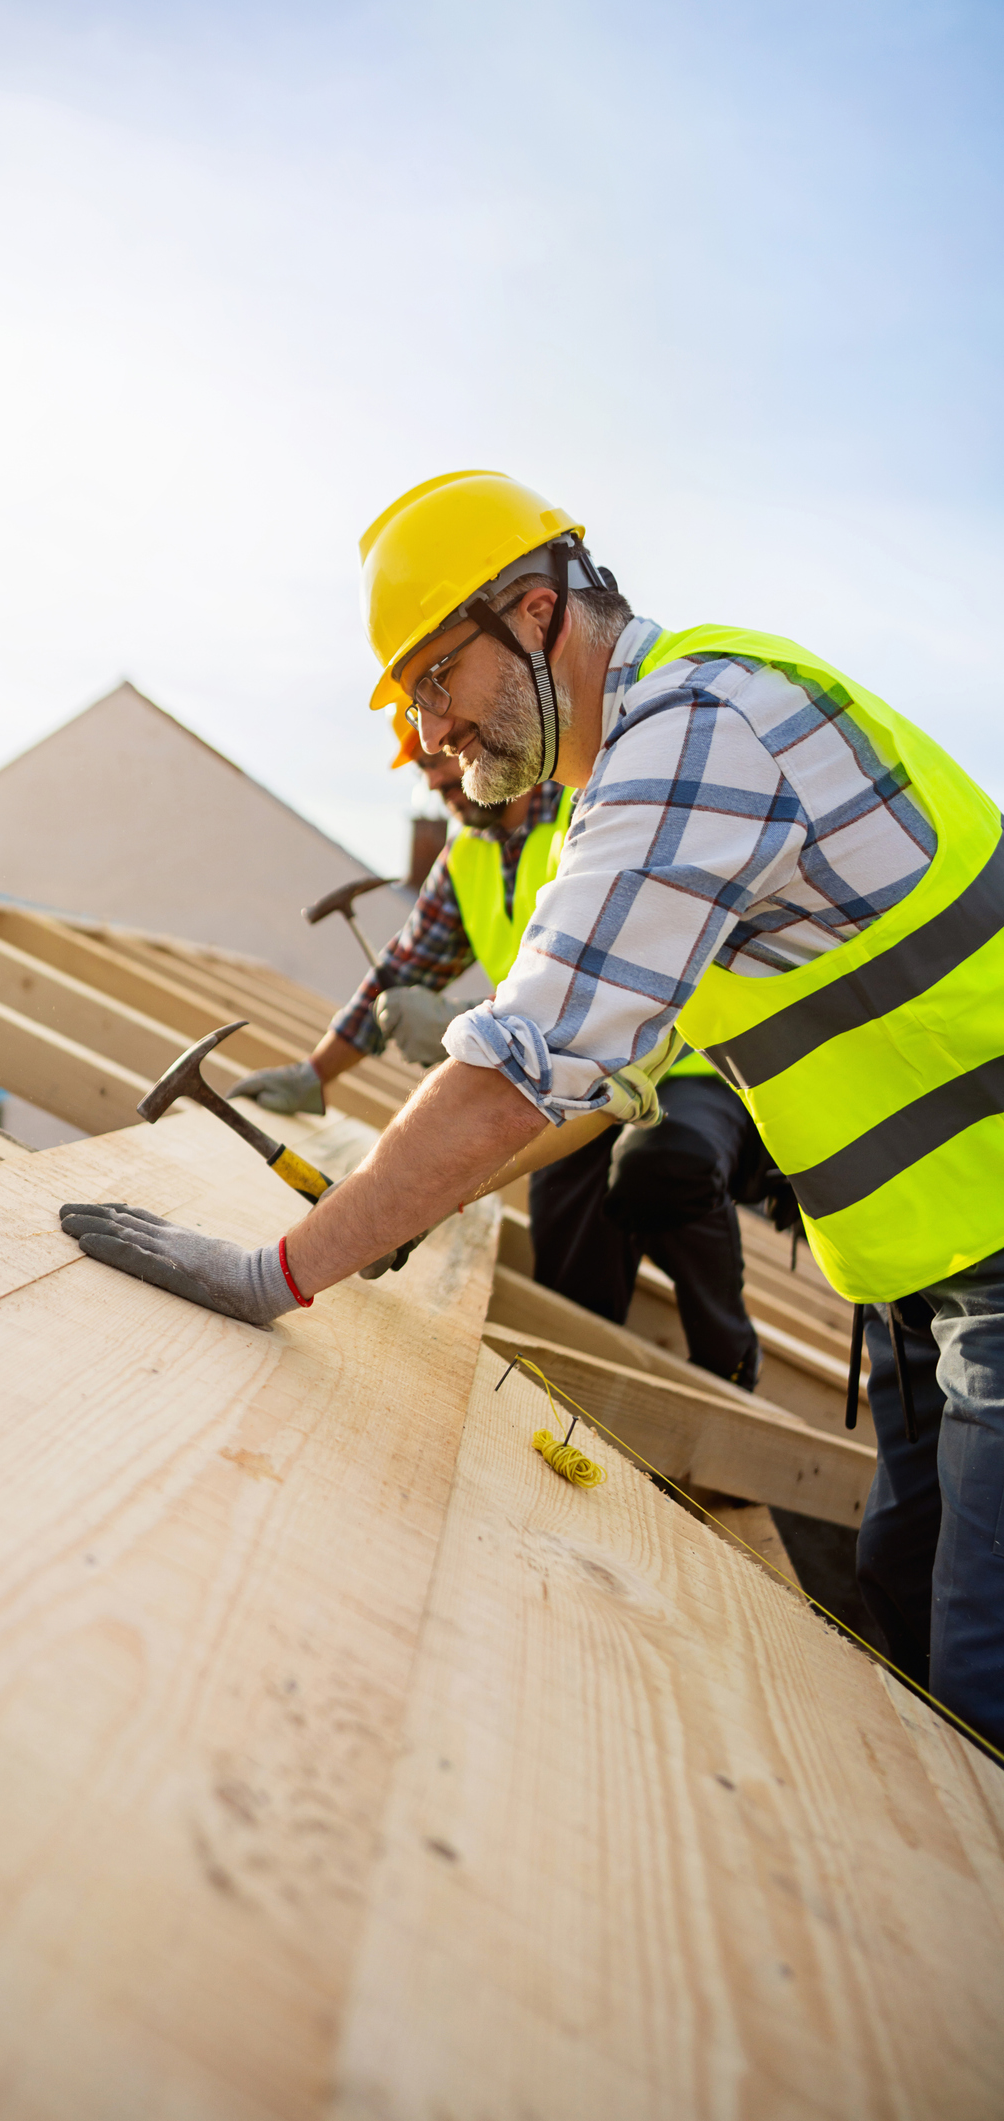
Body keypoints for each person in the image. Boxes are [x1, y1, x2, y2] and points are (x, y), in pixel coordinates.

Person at [61, 468, 1004, 1754]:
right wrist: (397, 1204)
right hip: (922, 1273)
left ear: (533, 611)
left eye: (436, 681)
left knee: (980, 1668)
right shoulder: (619, 790)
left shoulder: (697, 728)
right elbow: (595, 1081)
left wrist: (283, 1269)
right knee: (899, 1592)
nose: (433, 735)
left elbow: (524, 1069)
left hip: (992, 1266)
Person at [232, 747, 768, 1386]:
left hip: (686, 1068)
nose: (435, 782)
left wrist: (469, 1019)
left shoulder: (586, 812)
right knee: (566, 1238)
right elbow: (401, 969)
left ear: (484, 745)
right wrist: (317, 1076)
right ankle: (587, 1387)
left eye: (441, 759)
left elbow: (602, 976)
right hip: (561, 1077)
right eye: (423, 773)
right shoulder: (467, 854)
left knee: (663, 1167)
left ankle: (727, 1362)